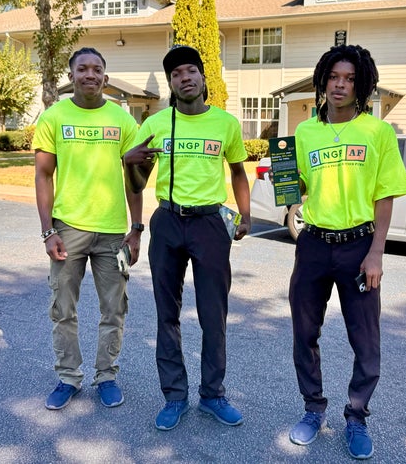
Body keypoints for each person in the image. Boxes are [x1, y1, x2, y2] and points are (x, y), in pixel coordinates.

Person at [287, 44, 406, 459]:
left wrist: (376, 251)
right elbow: (298, 184)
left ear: (362, 85)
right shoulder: (306, 132)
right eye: (334, 77)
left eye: (350, 79)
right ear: (323, 81)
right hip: (314, 244)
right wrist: (289, 197)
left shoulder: (377, 132)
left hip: (359, 245)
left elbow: (386, 194)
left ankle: (356, 416)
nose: (340, 85)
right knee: (305, 331)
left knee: (365, 338)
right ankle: (312, 409)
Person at [124, 45, 251, 431]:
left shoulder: (226, 124)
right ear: (171, 83)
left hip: (211, 224)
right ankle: (174, 396)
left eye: (191, 70)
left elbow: (239, 171)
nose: (185, 78)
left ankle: (212, 395)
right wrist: (136, 222)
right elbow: (136, 178)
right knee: (168, 314)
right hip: (167, 221)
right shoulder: (156, 124)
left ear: (202, 77)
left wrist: (245, 214)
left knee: (214, 315)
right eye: (177, 73)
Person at [33, 47, 146, 411]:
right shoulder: (53, 117)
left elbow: (135, 179)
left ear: (106, 79)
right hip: (68, 229)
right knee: (63, 308)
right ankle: (68, 377)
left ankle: (107, 376)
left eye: (97, 69)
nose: (90, 75)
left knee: (114, 309)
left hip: (113, 231)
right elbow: (43, 175)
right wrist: (48, 230)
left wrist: (137, 228)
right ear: (71, 76)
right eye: (82, 69)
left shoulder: (123, 121)